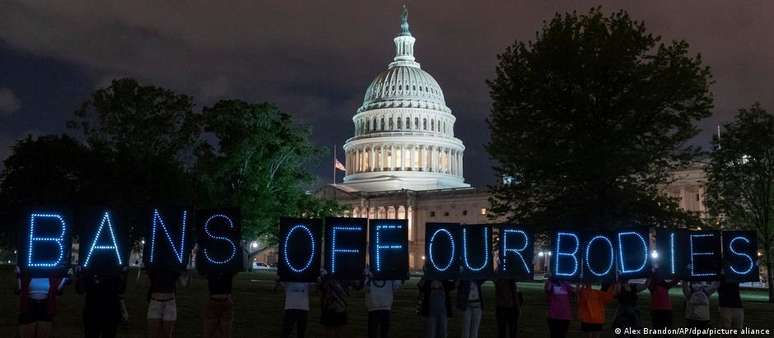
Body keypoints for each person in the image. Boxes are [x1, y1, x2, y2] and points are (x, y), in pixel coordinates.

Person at [75, 265, 128, 338]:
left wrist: (79, 275)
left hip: (93, 311)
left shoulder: (89, 271)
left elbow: (80, 290)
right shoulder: (115, 271)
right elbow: (121, 290)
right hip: (109, 311)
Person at [16, 266, 68, 338]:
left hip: (46, 306)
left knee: (44, 331)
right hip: (28, 306)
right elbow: (19, 287)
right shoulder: (26, 270)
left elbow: (58, 290)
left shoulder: (53, 273)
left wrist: (66, 276)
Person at [146, 267, 189, 338]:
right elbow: (145, 283)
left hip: (167, 302)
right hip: (157, 301)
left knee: (166, 334)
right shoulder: (154, 264)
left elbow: (184, 283)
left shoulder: (173, 266)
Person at [362, 268, 402, 338]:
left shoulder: (368, 270)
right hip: (384, 306)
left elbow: (366, 288)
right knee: (383, 333)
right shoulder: (390, 268)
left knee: (373, 332)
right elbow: (396, 287)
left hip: (373, 306)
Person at [203, 271, 236, 338]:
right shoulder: (228, 269)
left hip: (213, 300)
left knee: (210, 331)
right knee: (225, 332)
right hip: (225, 300)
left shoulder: (210, 269)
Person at [647, 270, 679, 338]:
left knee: (665, 333)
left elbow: (674, 282)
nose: (660, 277)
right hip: (659, 310)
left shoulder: (664, 285)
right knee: (658, 333)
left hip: (662, 310)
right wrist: (651, 275)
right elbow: (647, 284)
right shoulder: (653, 286)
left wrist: (679, 275)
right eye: (658, 276)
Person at [319, 274, 351, 338]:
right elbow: (320, 290)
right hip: (330, 308)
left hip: (338, 307)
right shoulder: (325, 277)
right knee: (329, 331)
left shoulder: (343, 278)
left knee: (338, 331)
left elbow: (347, 293)